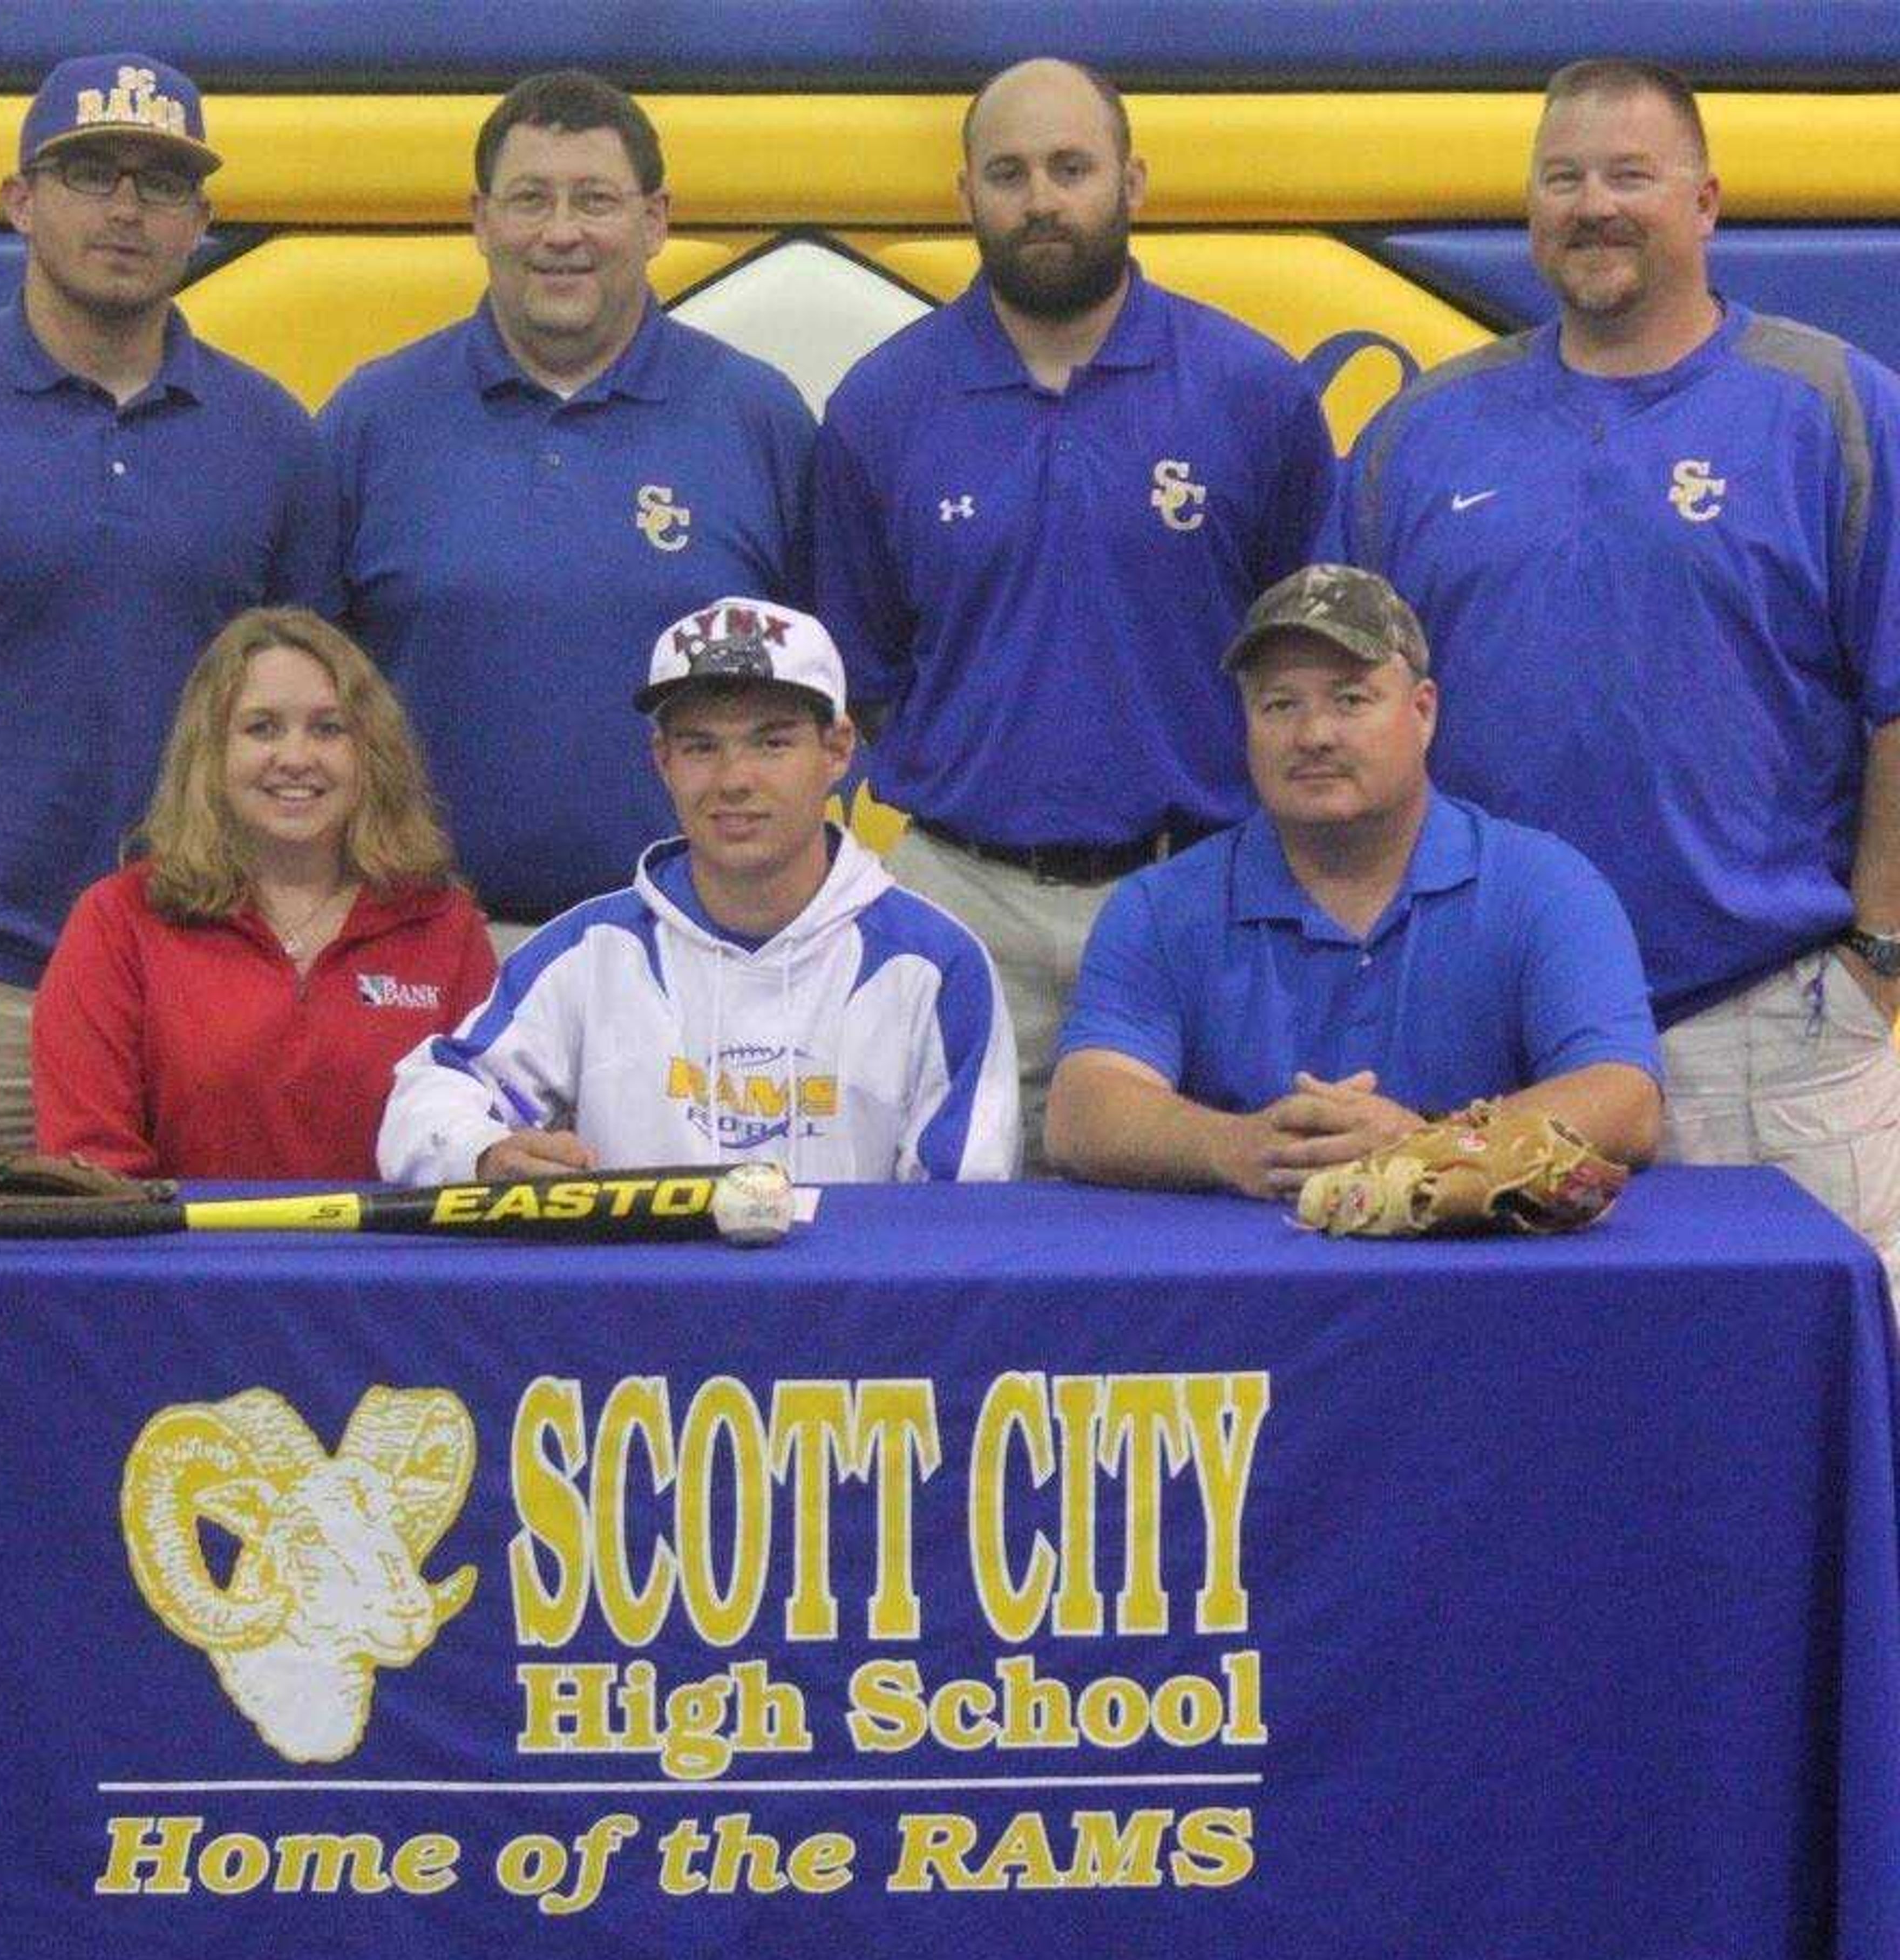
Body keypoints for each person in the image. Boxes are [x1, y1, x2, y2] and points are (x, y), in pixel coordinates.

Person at [1328, 57, 1900, 1284]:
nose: (1593, 203)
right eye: (1562, 176)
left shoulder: (1832, 410)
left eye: (1629, 175)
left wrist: (1877, 958)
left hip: (1775, 1034)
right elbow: (1341, 728)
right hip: (1496, 1045)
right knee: (1531, 1448)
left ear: (1704, 201)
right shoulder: (1415, 440)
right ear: (1529, 210)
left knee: (1831, 1436)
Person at [812, 56, 1336, 1169]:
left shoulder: (1252, 389)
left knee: (1205, 1227)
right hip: (960, 897)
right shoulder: (881, 404)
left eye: (1070, 167)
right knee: (959, 1244)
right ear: (964, 196)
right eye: (1008, 173)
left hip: (1195, 887)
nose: (1041, 199)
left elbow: (1308, 657)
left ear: (1131, 182)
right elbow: (868, 675)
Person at [0, 51, 337, 1170]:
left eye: (159, 183)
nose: (124, 209)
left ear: (200, 218)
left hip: (210, 972)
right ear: (20, 202)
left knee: (209, 1331)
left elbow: (321, 713)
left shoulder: (273, 439)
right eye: (89, 173)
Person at [321, 70, 815, 941]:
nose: (561, 234)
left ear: (654, 220)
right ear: (481, 220)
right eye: (529, 201)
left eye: (594, 200)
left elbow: (832, 682)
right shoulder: (373, 417)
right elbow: (307, 688)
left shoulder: (757, 417)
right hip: (426, 943)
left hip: (700, 941)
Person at [1047, 565, 1662, 1192]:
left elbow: (1624, 1100)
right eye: (1280, 704)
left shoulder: (1544, 887)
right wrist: (1234, 1146)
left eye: (1351, 699)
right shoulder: (1160, 907)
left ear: (1423, 713)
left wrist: (1431, 1145)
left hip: (1482, 1278)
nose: (1314, 735)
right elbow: (1081, 1111)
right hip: (1243, 1279)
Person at [379, 598, 1019, 1185]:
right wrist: (482, 1151)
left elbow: (957, 1218)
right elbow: (433, 1092)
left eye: (772, 743)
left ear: (838, 749)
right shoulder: (589, 950)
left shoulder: (936, 967)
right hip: (636, 1307)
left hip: (851, 1309)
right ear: (662, 760)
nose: (734, 779)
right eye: (700, 746)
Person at [32, 609, 494, 1179]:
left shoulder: (446, 927)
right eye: (262, 728)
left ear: (371, 754)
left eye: (329, 729)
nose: (297, 758)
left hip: (393, 1265)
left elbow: (480, 1141)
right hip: (179, 1265)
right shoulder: (118, 921)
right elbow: (93, 1162)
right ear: (211, 754)